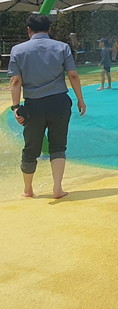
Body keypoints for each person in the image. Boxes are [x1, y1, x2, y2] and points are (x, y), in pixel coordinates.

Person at [8, 14, 87, 199]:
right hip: (59, 102)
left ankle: (28, 190)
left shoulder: (18, 50)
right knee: (58, 146)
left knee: (31, 147)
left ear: (29, 30)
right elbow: (73, 75)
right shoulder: (62, 47)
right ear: (49, 29)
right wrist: (80, 100)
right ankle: (57, 188)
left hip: (33, 105)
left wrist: (16, 107)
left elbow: (15, 80)